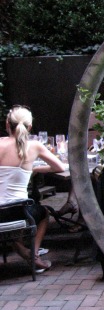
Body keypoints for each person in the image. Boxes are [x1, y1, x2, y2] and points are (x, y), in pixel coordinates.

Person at [0, 105, 68, 272]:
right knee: (43, 212)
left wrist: (32, 169)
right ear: (29, 127)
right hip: (20, 211)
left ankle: (23, 250)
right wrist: (32, 168)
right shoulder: (34, 146)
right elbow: (59, 167)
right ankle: (34, 255)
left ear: (7, 124)